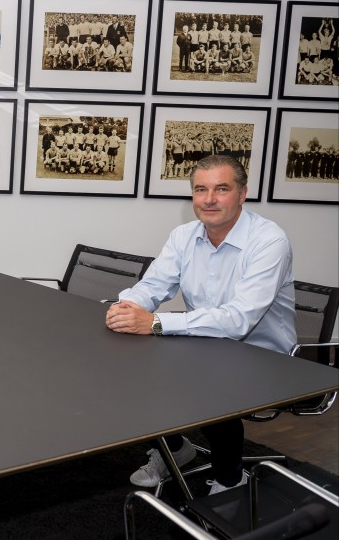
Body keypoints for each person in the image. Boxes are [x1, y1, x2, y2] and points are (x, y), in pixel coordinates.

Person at [105, 154, 295, 495]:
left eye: (221, 189)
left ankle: (230, 478)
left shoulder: (269, 241)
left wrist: (157, 323)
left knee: (209, 384)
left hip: (263, 355)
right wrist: (129, 305)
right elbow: (154, 285)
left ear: (242, 194)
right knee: (130, 364)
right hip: (204, 342)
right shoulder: (184, 236)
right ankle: (176, 448)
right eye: (201, 190)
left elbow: (239, 319)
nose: (209, 199)